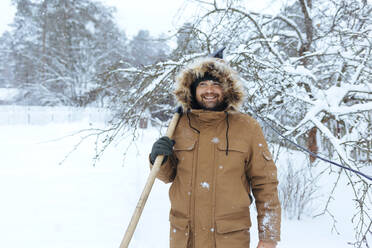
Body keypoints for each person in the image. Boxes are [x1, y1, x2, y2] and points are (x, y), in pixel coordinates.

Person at [149, 49, 281, 248]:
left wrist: (269, 236)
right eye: (203, 84)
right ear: (192, 89)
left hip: (229, 238)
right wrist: (159, 158)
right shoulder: (179, 124)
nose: (209, 90)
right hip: (185, 238)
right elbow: (168, 176)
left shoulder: (247, 127)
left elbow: (266, 184)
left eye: (216, 84)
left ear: (227, 89)